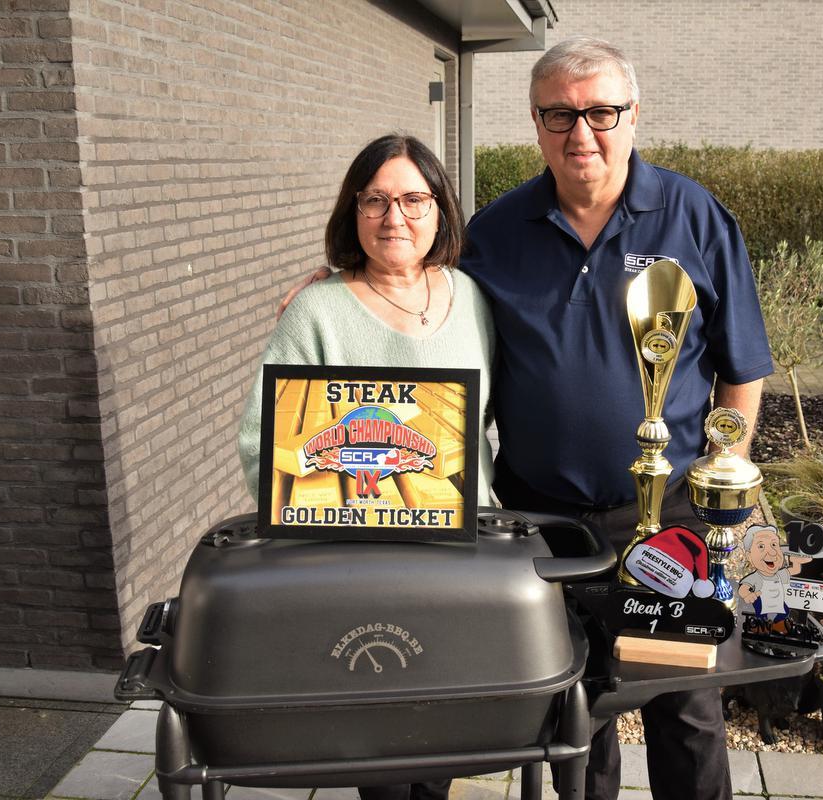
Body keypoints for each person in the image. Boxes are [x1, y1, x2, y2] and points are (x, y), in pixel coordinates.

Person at [277, 38, 772, 800]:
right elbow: (418, 284)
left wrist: (725, 480)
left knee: (685, 706)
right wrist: (339, 282)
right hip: (538, 521)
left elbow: (742, 366)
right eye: (559, 115)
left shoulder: (695, 218)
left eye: (601, 112)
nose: (582, 133)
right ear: (536, 123)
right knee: (572, 707)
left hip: (667, 513)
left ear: (634, 115)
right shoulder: (497, 232)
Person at [237, 134, 494, 800]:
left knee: (443, 724)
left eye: (413, 199)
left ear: (440, 208)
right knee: (377, 731)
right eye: (375, 200)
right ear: (352, 211)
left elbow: (483, 422)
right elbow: (263, 442)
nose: (393, 217)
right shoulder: (318, 309)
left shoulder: (471, 297)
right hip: (359, 562)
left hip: (460, 559)